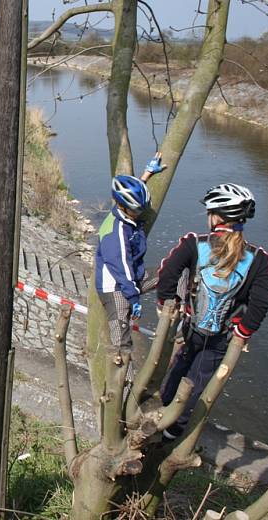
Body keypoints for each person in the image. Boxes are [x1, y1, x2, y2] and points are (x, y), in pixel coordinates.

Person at [158, 184, 268, 440]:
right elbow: (261, 304)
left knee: (176, 372)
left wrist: (167, 305)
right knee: (197, 384)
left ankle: (158, 417)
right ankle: (174, 432)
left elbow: (166, 275)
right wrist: (242, 331)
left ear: (217, 216)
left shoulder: (193, 244)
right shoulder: (259, 258)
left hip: (190, 328)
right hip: (221, 337)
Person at [95, 155, 166, 380]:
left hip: (132, 278)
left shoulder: (126, 214)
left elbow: (132, 192)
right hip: (115, 286)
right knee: (121, 341)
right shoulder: (116, 231)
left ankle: (170, 307)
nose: (140, 214)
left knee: (170, 271)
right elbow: (121, 267)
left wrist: (146, 175)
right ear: (124, 208)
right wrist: (133, 299)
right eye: (136, 210)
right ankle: (122, 389)